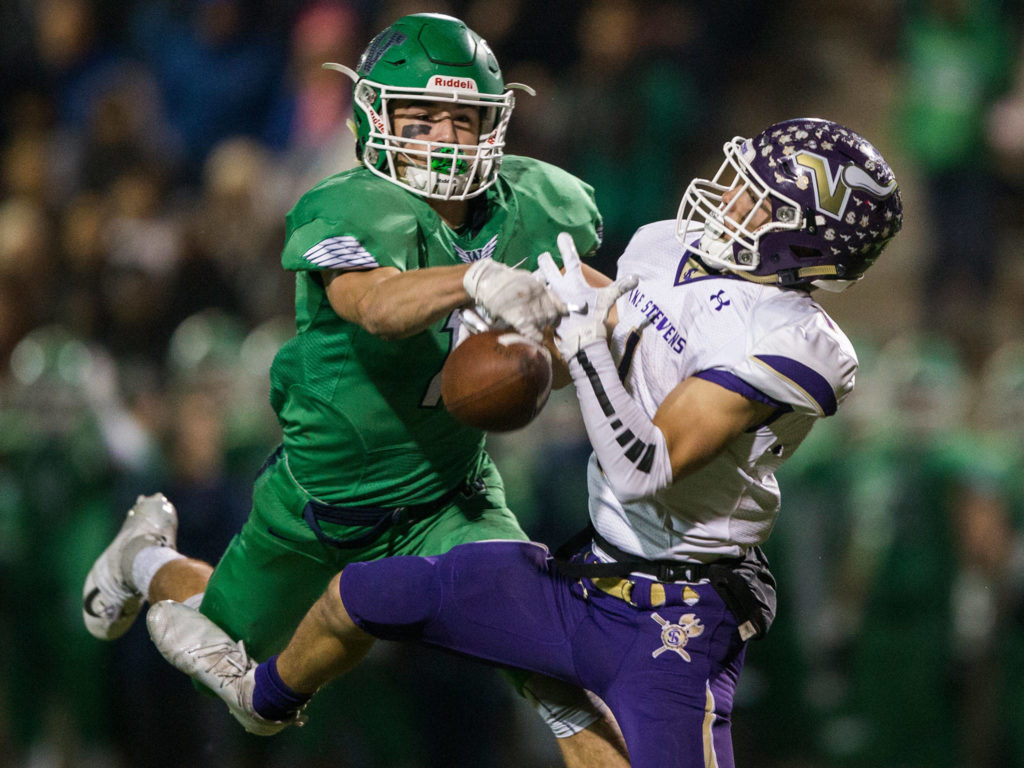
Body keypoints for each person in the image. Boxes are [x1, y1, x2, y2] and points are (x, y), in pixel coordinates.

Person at [145, 117, 905, 767]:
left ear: (808, 242)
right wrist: (531, 319)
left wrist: (580, 343)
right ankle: (262, 697)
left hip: (679, 612)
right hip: (587, 577)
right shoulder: (669, 246)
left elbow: (648, 464)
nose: (726, 195)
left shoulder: (798, 346)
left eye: (756, 197)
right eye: (737, 178)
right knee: (361, 595)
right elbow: (621, 331)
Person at [82, 12, 630, 767]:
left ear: (494, 124)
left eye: (461, 119)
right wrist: (472, 278)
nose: (442, 137)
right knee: (233, 649)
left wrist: (627, 321)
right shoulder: (347, 203)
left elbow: (610, 310)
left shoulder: (532, 204)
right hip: (318, 503)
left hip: (452, 499)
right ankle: (143, 559)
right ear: (375, 116)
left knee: (557, 674)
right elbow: (374, 305)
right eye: (422, 116)